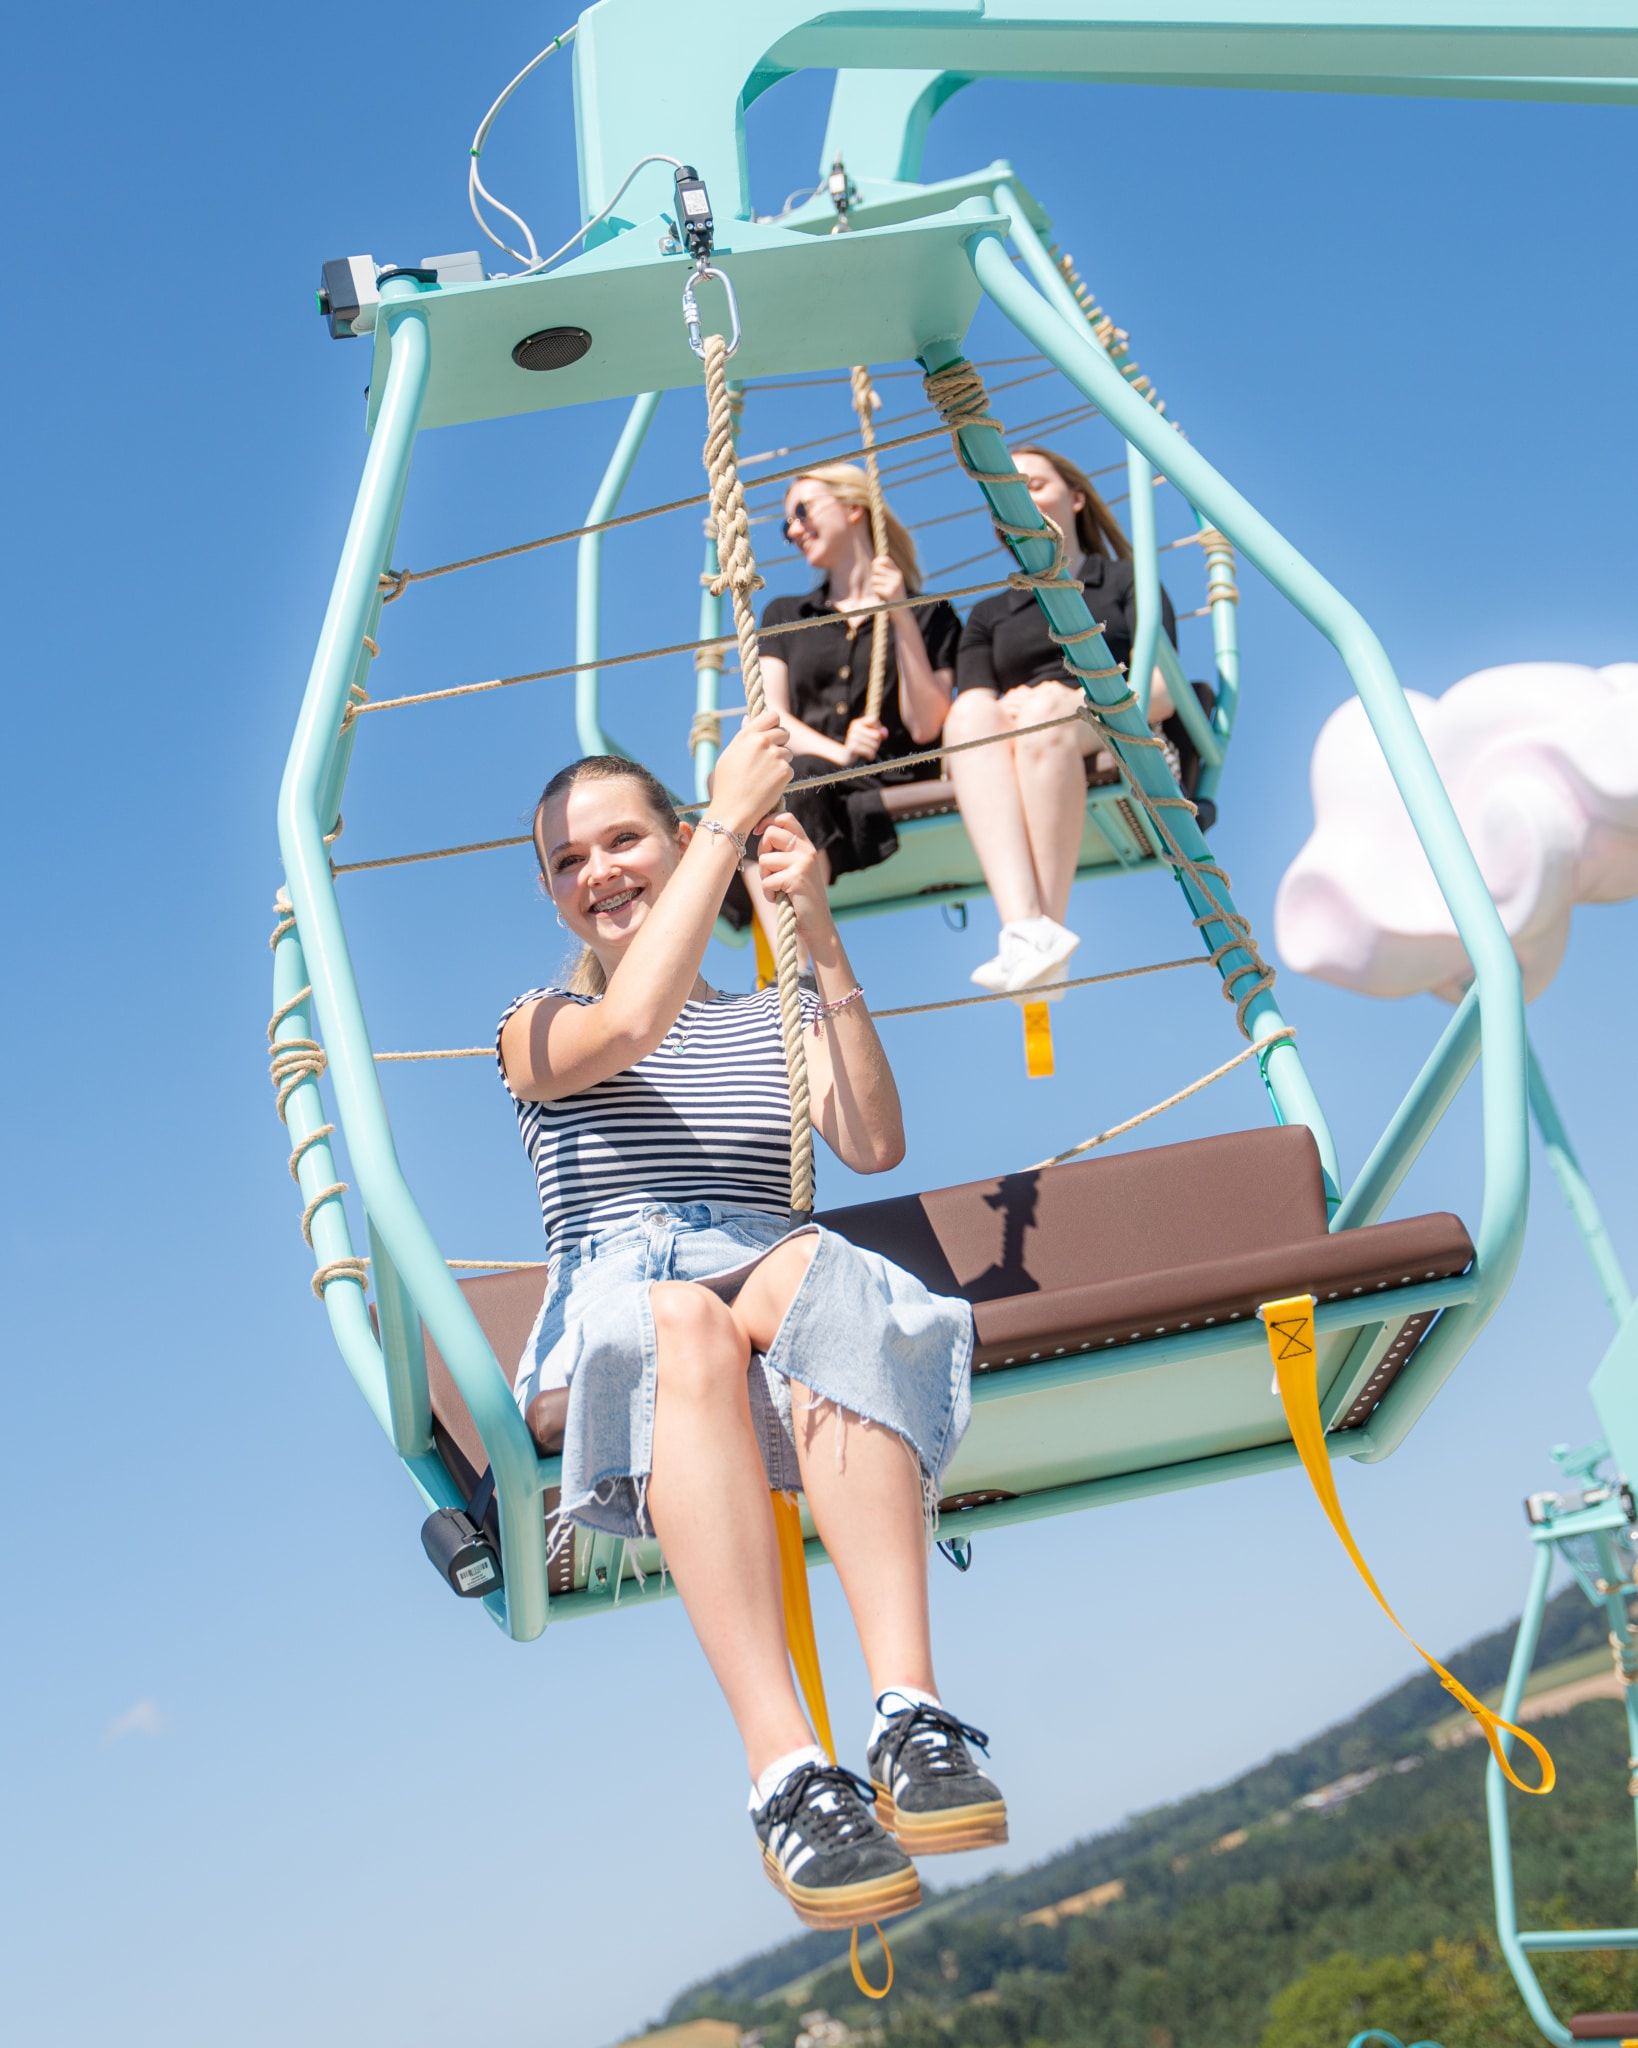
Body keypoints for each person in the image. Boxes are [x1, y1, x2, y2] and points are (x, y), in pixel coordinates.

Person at [497, 722, 1006, 1931]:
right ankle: (787, 1773)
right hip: (626, 1295)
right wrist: (727, 824)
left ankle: (910, 1713)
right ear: (551, 893)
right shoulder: (531, 1025)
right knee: (680, 1317)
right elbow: (622, 1032)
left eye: (625, 839)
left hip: (770, 1274)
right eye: (569, 860)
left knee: (830, 1272)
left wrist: (812, 929)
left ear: (675, 844)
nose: (599, 870)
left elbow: (873, 1142)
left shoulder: (765, 1022)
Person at [946, 445, 1180, 994]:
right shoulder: (988, 615)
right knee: (968, 713)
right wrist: (1016, 706)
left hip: (1111, 717)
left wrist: (1064, 695)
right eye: (1007, 493)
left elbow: (1164, 690)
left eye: (1034, 485)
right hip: (1024, 733)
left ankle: (1042, 928)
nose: (1020, 499)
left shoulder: (1122, 581)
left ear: (1076, 499)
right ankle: (1025, 931)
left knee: (1050, 706)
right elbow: (974, 711)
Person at [742, 461, 961, 938]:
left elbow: (928, 726)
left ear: (854, 507)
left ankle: (799, 963)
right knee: (777, 783)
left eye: (803, 511)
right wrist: (839, 751)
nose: (795, 529)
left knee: (793, 781)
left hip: (887, 779)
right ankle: (794, 967)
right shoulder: (785, 614)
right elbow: (770, 713)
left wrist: (900, 614)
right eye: (786, 524)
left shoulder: (931, 615)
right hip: (812, 777)